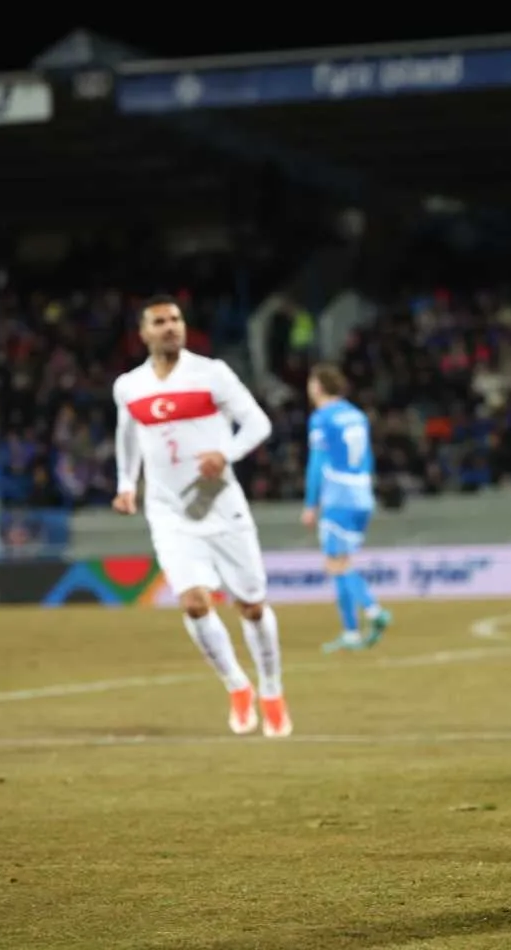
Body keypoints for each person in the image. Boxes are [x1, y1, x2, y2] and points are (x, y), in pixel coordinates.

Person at [112, 295, 291, 738]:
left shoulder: (212, 374)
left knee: (251, 605)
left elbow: (258, 424)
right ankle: (237, 686)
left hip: (222, 507)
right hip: (169, 511)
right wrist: (125, 483)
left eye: (176, 319)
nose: (171, 327)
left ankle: (271, 690)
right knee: (193, 603)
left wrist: (225, 453)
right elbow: (127, 434)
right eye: (160, 321)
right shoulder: (129, 386)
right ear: (144, 333)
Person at [303, 363, 391, 652]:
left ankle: (374, 611)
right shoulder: (356, 415)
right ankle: (351, 634)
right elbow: (368, 457)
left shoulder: (321, 418)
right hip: (362, 492)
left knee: (334, 563)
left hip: (338, 495)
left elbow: (317, 463)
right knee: (342, 563)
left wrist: (310, 503)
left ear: (318, 386)